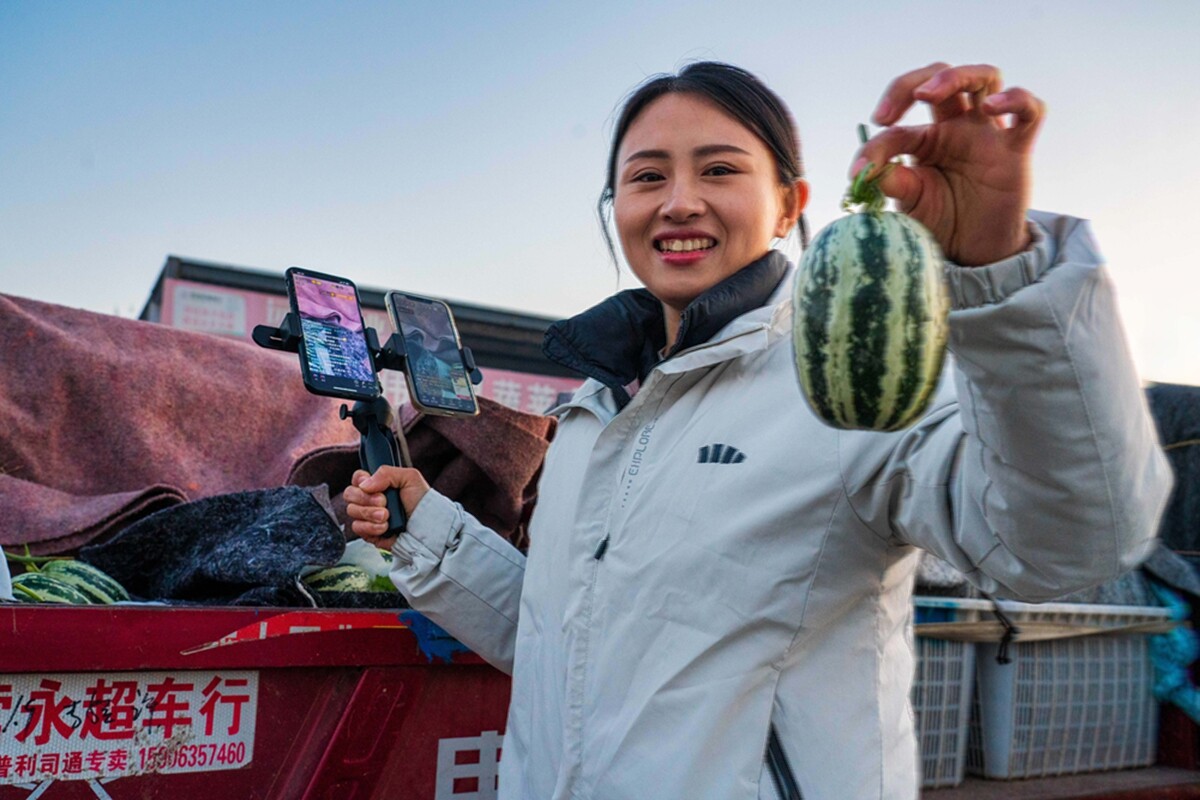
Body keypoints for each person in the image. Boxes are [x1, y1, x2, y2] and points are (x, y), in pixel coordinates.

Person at [343, 61, 1172, 800]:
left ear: (789, 207)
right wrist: (430, 533)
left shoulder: (850, 385)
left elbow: (1070, 540)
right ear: (616, 209)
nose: (679, 201)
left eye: (719, 169)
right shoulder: (597, 410)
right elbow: (562, 645)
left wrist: (999, 266)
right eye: (646, 176)